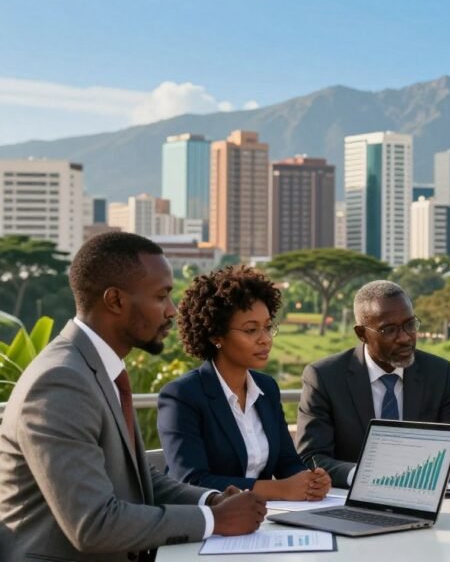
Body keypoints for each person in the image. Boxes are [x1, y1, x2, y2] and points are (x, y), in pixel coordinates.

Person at [0, 233, 265, 562]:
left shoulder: (96, 369)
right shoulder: (61, 382)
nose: (172, 311)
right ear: (115, 301)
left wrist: (210, 501)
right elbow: (93, 524)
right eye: (161, 296)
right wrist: (216, 521)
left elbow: (136, 478)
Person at [157, 266, 331, 501]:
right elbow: (191, 480)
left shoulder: (267, 388)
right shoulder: (182, 395)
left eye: (268, 327)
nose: (265, 339)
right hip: (208, 522)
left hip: (262, 519)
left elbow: (286, 462)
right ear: (216, 336)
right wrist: (279, 489)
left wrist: (310, 480)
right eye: (251, 330)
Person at [296, 280, 450, 487]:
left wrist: (435, 475)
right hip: (350, 501)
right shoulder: (324, 377)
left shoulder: (437, 373)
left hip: (423, 496)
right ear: (362, 334)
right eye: (389, 330)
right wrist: (365, 476)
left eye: (409, 324)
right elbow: (311, 456)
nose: (405, 338)